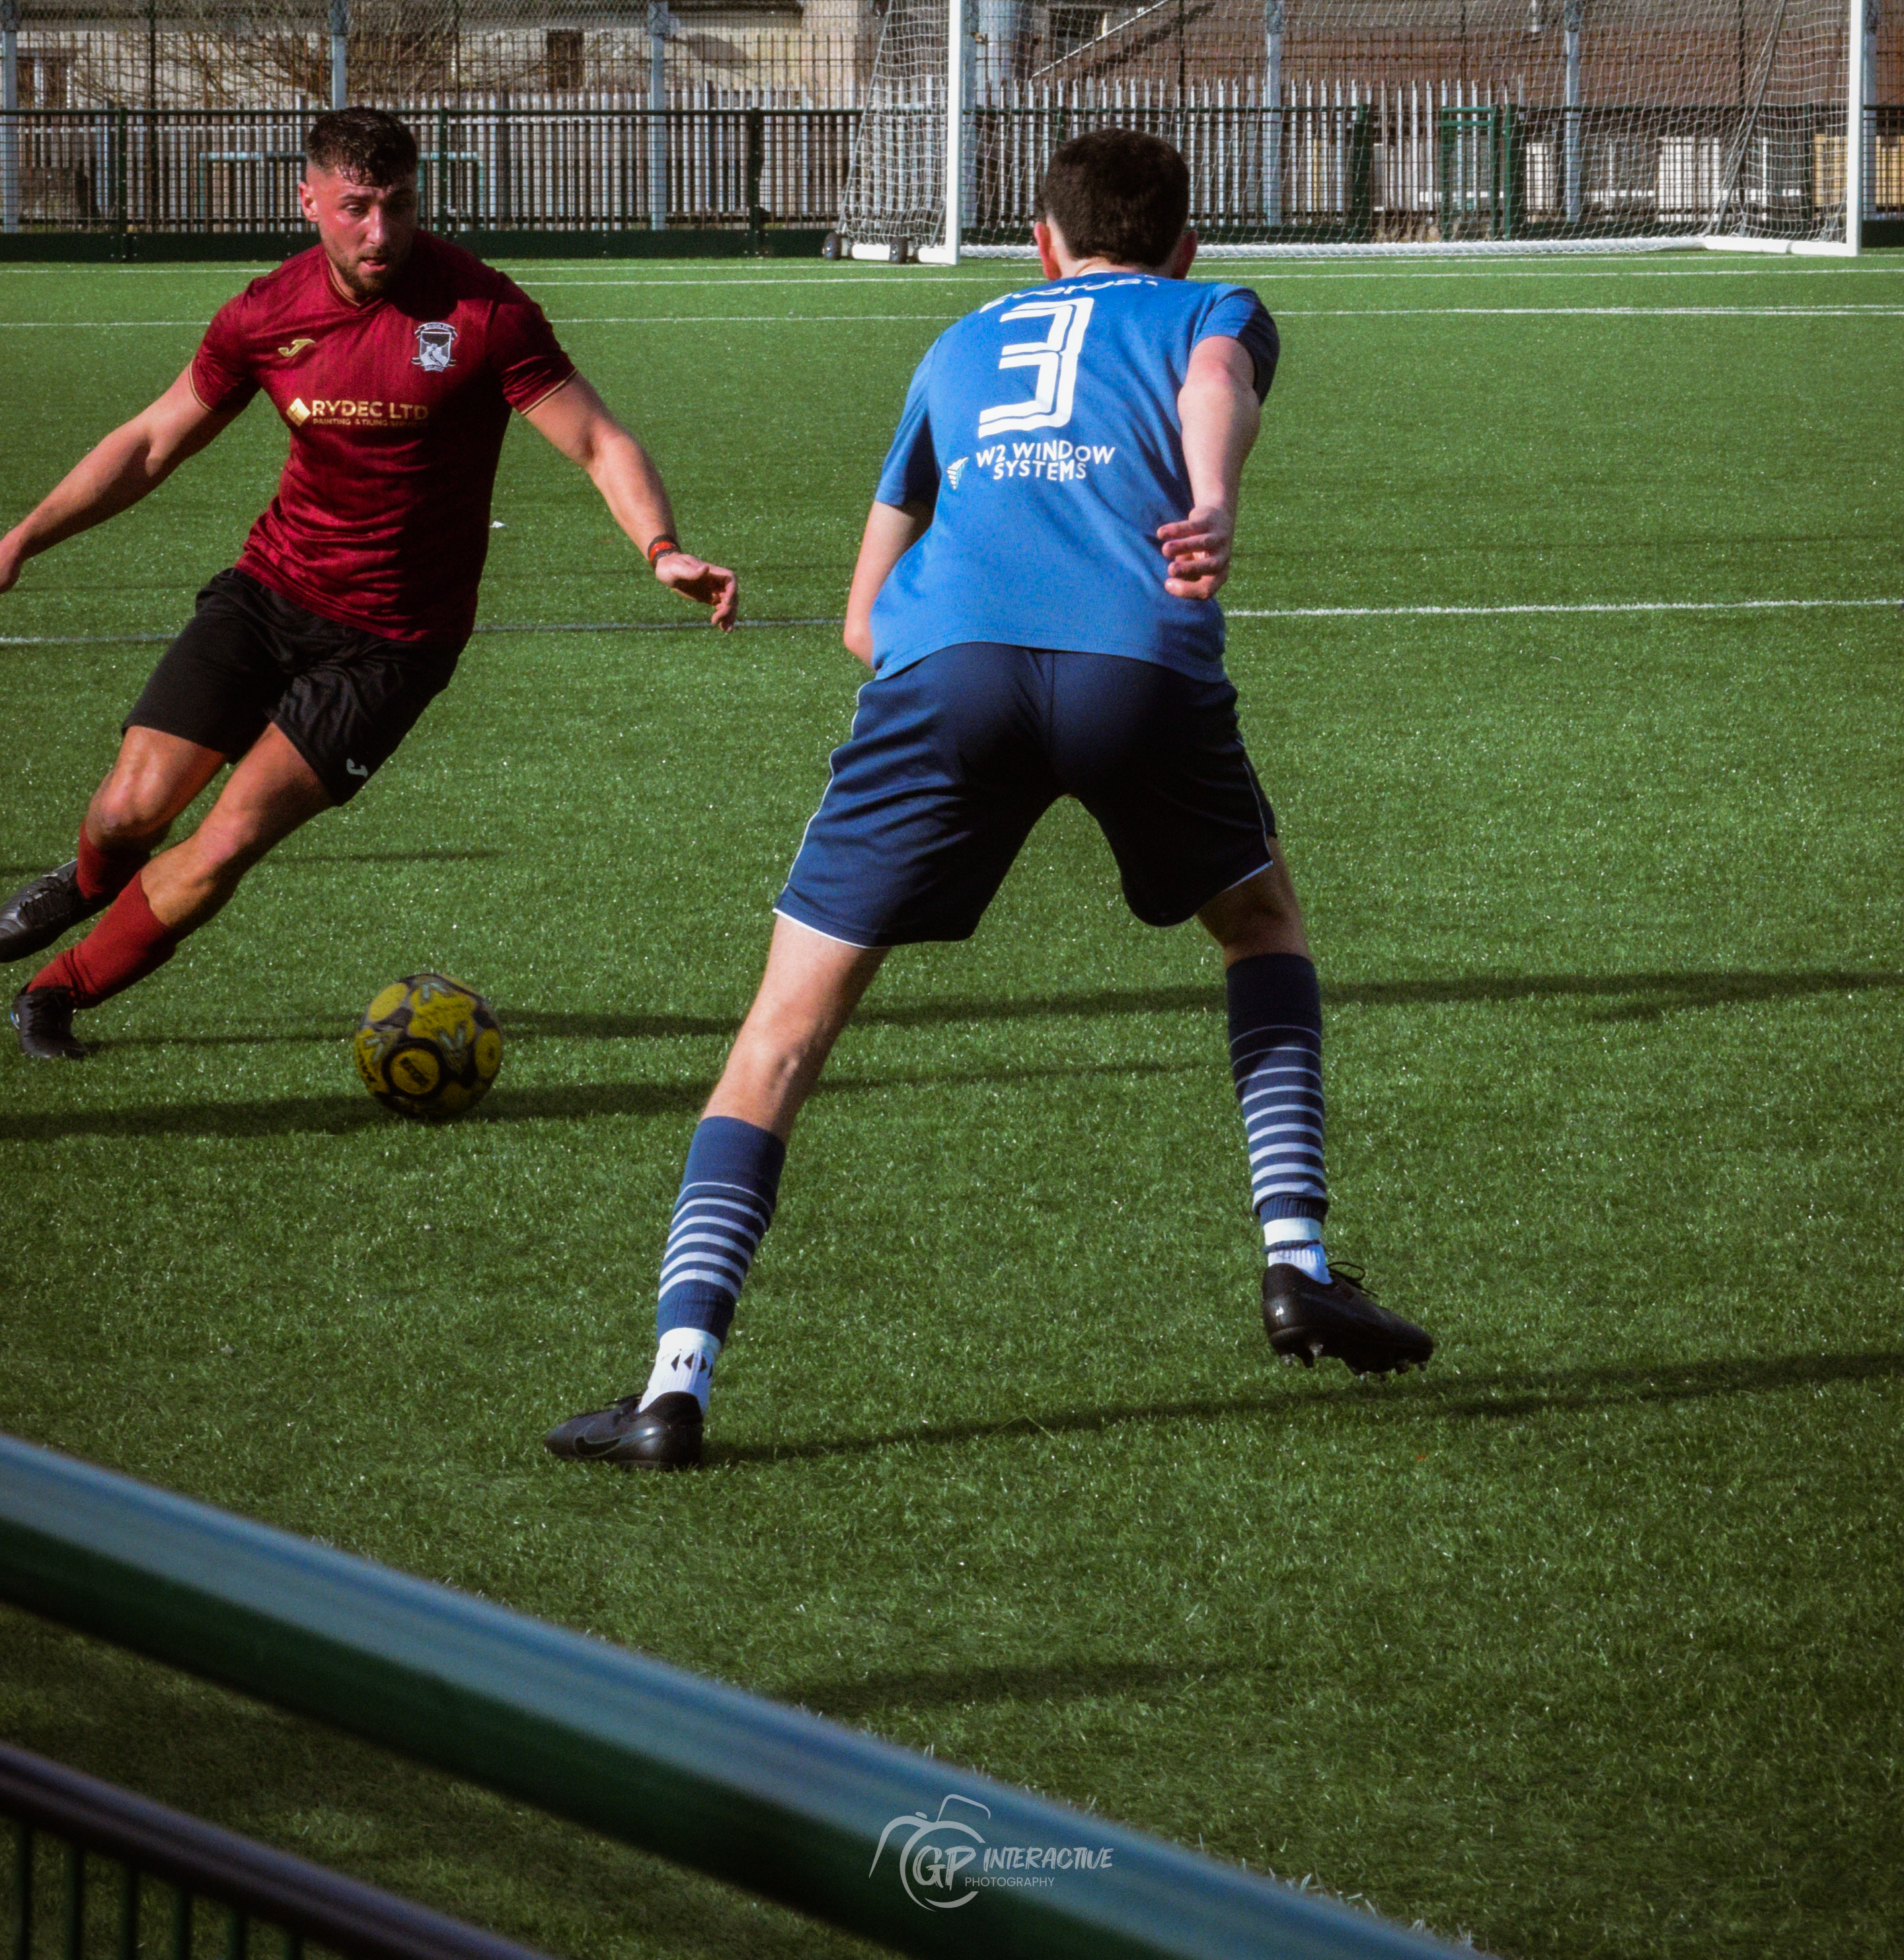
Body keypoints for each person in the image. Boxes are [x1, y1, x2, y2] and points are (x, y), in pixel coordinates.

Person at [549, 126, 1430, 1471]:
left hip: (941, 668)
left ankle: (675, 1385)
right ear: (1187, 246)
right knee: (1259, 922)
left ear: (1041, 242)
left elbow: (859, 621)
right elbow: (1211, 378)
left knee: (783, 1030)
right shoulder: (1214, 306)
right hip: (1138, 654)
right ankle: (1297, 1258)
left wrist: (964, 648)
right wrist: (1210, 499)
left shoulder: (958, 346)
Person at [1, 107, 736, 1058]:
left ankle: (54, 994)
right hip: (269, 592)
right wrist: (21, 539)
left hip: (394, 643)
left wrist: (660, 546)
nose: (380, 232)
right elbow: (150, 443)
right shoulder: (265, 315)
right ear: (307, 199)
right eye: (356, 208)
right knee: (127, 809)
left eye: (398, 205)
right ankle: (88, 883)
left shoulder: (484, 312)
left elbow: (596, 439)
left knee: (226, 841)